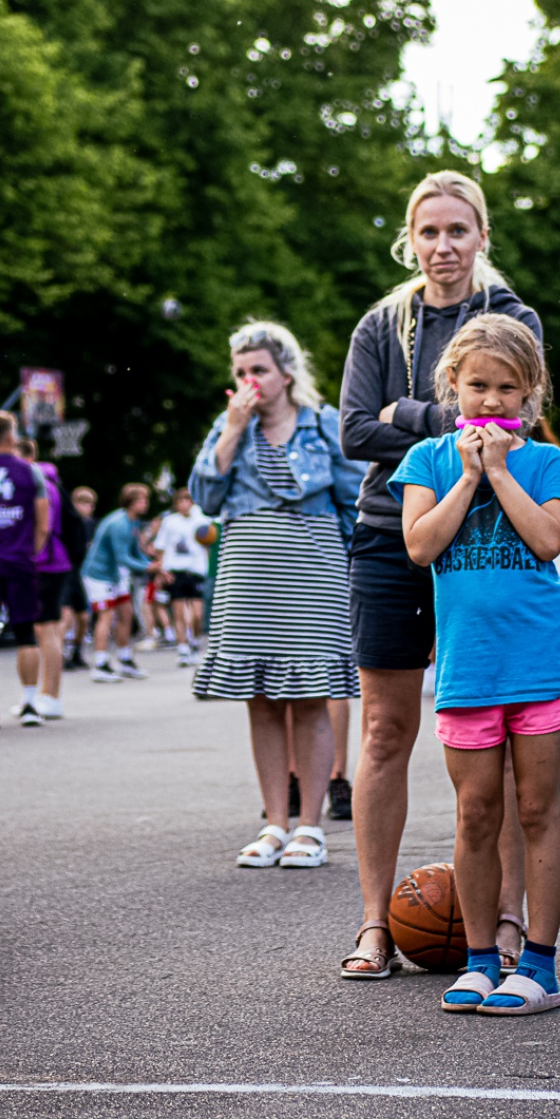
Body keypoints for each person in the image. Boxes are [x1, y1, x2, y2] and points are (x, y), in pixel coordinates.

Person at [338, 170, 541, 980]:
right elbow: (356, 432)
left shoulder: (511, 316)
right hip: (389, 534)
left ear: (481, 235)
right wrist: (454, 423)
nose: (443, 245)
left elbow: (514, 423)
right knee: (384, 732)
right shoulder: (380, 324)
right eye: (428, 231)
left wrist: (409, 415)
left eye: (458, 230)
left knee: (505, 739)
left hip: (485, 539)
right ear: (410, 239)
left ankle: (507, 922)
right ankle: (373, 925)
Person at [391, 314, 560, 1016]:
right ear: (453, 384)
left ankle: (539, 965)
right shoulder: (429, 460)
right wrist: (469, 475)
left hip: (538, 667)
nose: (491, 400)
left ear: (530, 391)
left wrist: (499, 471)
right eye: (478, 386)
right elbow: (420, 545)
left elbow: (546, 541)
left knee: (536, 810)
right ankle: (477, 961)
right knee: (475, 814)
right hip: (468, 671)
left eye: (507, 388)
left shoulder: (545, 462)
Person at [189, 321, 366, 871]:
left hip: (313, 576)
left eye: (260, 370)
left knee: (311, 698)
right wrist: (232, 429)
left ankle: (310, 826)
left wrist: (350, 571)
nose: (250, 381)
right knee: (260, 700)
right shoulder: (229, 425)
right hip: (247, 578)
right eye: (241, 372)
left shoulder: (323, 423)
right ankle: (274, 823)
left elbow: (355, 501)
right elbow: (204, 496)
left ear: (286, 373)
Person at [0, 416, 46, 729]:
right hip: (20, 561)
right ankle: (30, 704)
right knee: (26, 633)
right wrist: (29, 551)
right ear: (11, 436)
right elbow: (43, 523)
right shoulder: (31, 471)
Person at [81, 485, 152, 681]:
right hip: (98, 574)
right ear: (130, 502)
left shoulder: (133, 522)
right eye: (141, 500)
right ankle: (100, 665)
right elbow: (123, 558)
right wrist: (150, 568)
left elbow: (135, 553)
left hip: (115, 575)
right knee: (106, 616)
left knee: (126, 613)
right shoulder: (119, 523)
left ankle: (125, 659)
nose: (145, 503)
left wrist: (152, 565)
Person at [26, 446, 71, 717]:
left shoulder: (40, 484)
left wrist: (31, 555)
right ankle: (49, 694)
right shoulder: (51, 482)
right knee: (49, 628)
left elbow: (43, 525)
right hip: (55, 561)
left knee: (46, 630)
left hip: (46, 562)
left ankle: (50, 694)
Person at [152, 488, 209, 664]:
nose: (185, 504)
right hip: (176, 571)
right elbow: (160, 548)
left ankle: (195, 642)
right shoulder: (170, 522)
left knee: (197, 614)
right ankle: (183, 648)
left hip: (196, 570)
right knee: (179, 613)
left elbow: (208, 545)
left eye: (188, 500)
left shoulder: (201, 520)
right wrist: (162, 571)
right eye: (181, 501)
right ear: (176, 504)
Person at [62, 486, 96, 669]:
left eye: (90, 504)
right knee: (65, 616)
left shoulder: (90, 525)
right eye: (82, 503)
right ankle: (60, 653)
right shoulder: (68, 523)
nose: (87, 508)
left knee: (83, 617)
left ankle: (76, 651)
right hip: (66, 572)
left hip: (80, 574)